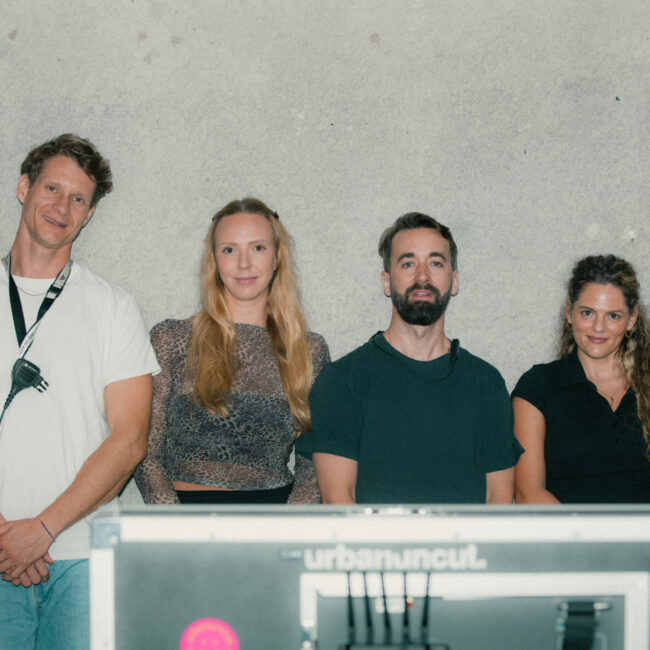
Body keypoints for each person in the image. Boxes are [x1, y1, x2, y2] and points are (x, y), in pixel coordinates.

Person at [0, 134, 159, 649]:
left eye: (78, 198)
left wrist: (41, 531)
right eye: (51, 188)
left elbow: (130, 440)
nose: (61, 207)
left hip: (84, 558)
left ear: (88, 215)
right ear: (23, 188)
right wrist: (7, 540)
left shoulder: (114, 306)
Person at [296, 212, 522, 504]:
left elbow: (498, 502)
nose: (422, 277)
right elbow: (340, 503)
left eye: (436, 263)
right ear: (386, 282)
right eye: (408, 263)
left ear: (454, 281)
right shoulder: (342, 382)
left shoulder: (486, 384)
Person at [134, 198, 330, 505]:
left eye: (258, 248)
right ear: (214, 260)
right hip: (184, 516)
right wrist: (172, 521)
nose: (244, 264)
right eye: (229, 250)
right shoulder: (171, 339)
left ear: (277, 258)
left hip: (275, 517)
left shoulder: (308, 350)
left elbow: (315, 461)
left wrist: (291, 524)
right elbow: (143, 451)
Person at [512, 255, 650, 504]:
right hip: (566, 529)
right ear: (569, 313)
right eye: (588, 313)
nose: (598, 327)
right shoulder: (538, 387)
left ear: (631, 319)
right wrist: (583, 530)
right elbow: (528, 493)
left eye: (613, 316)